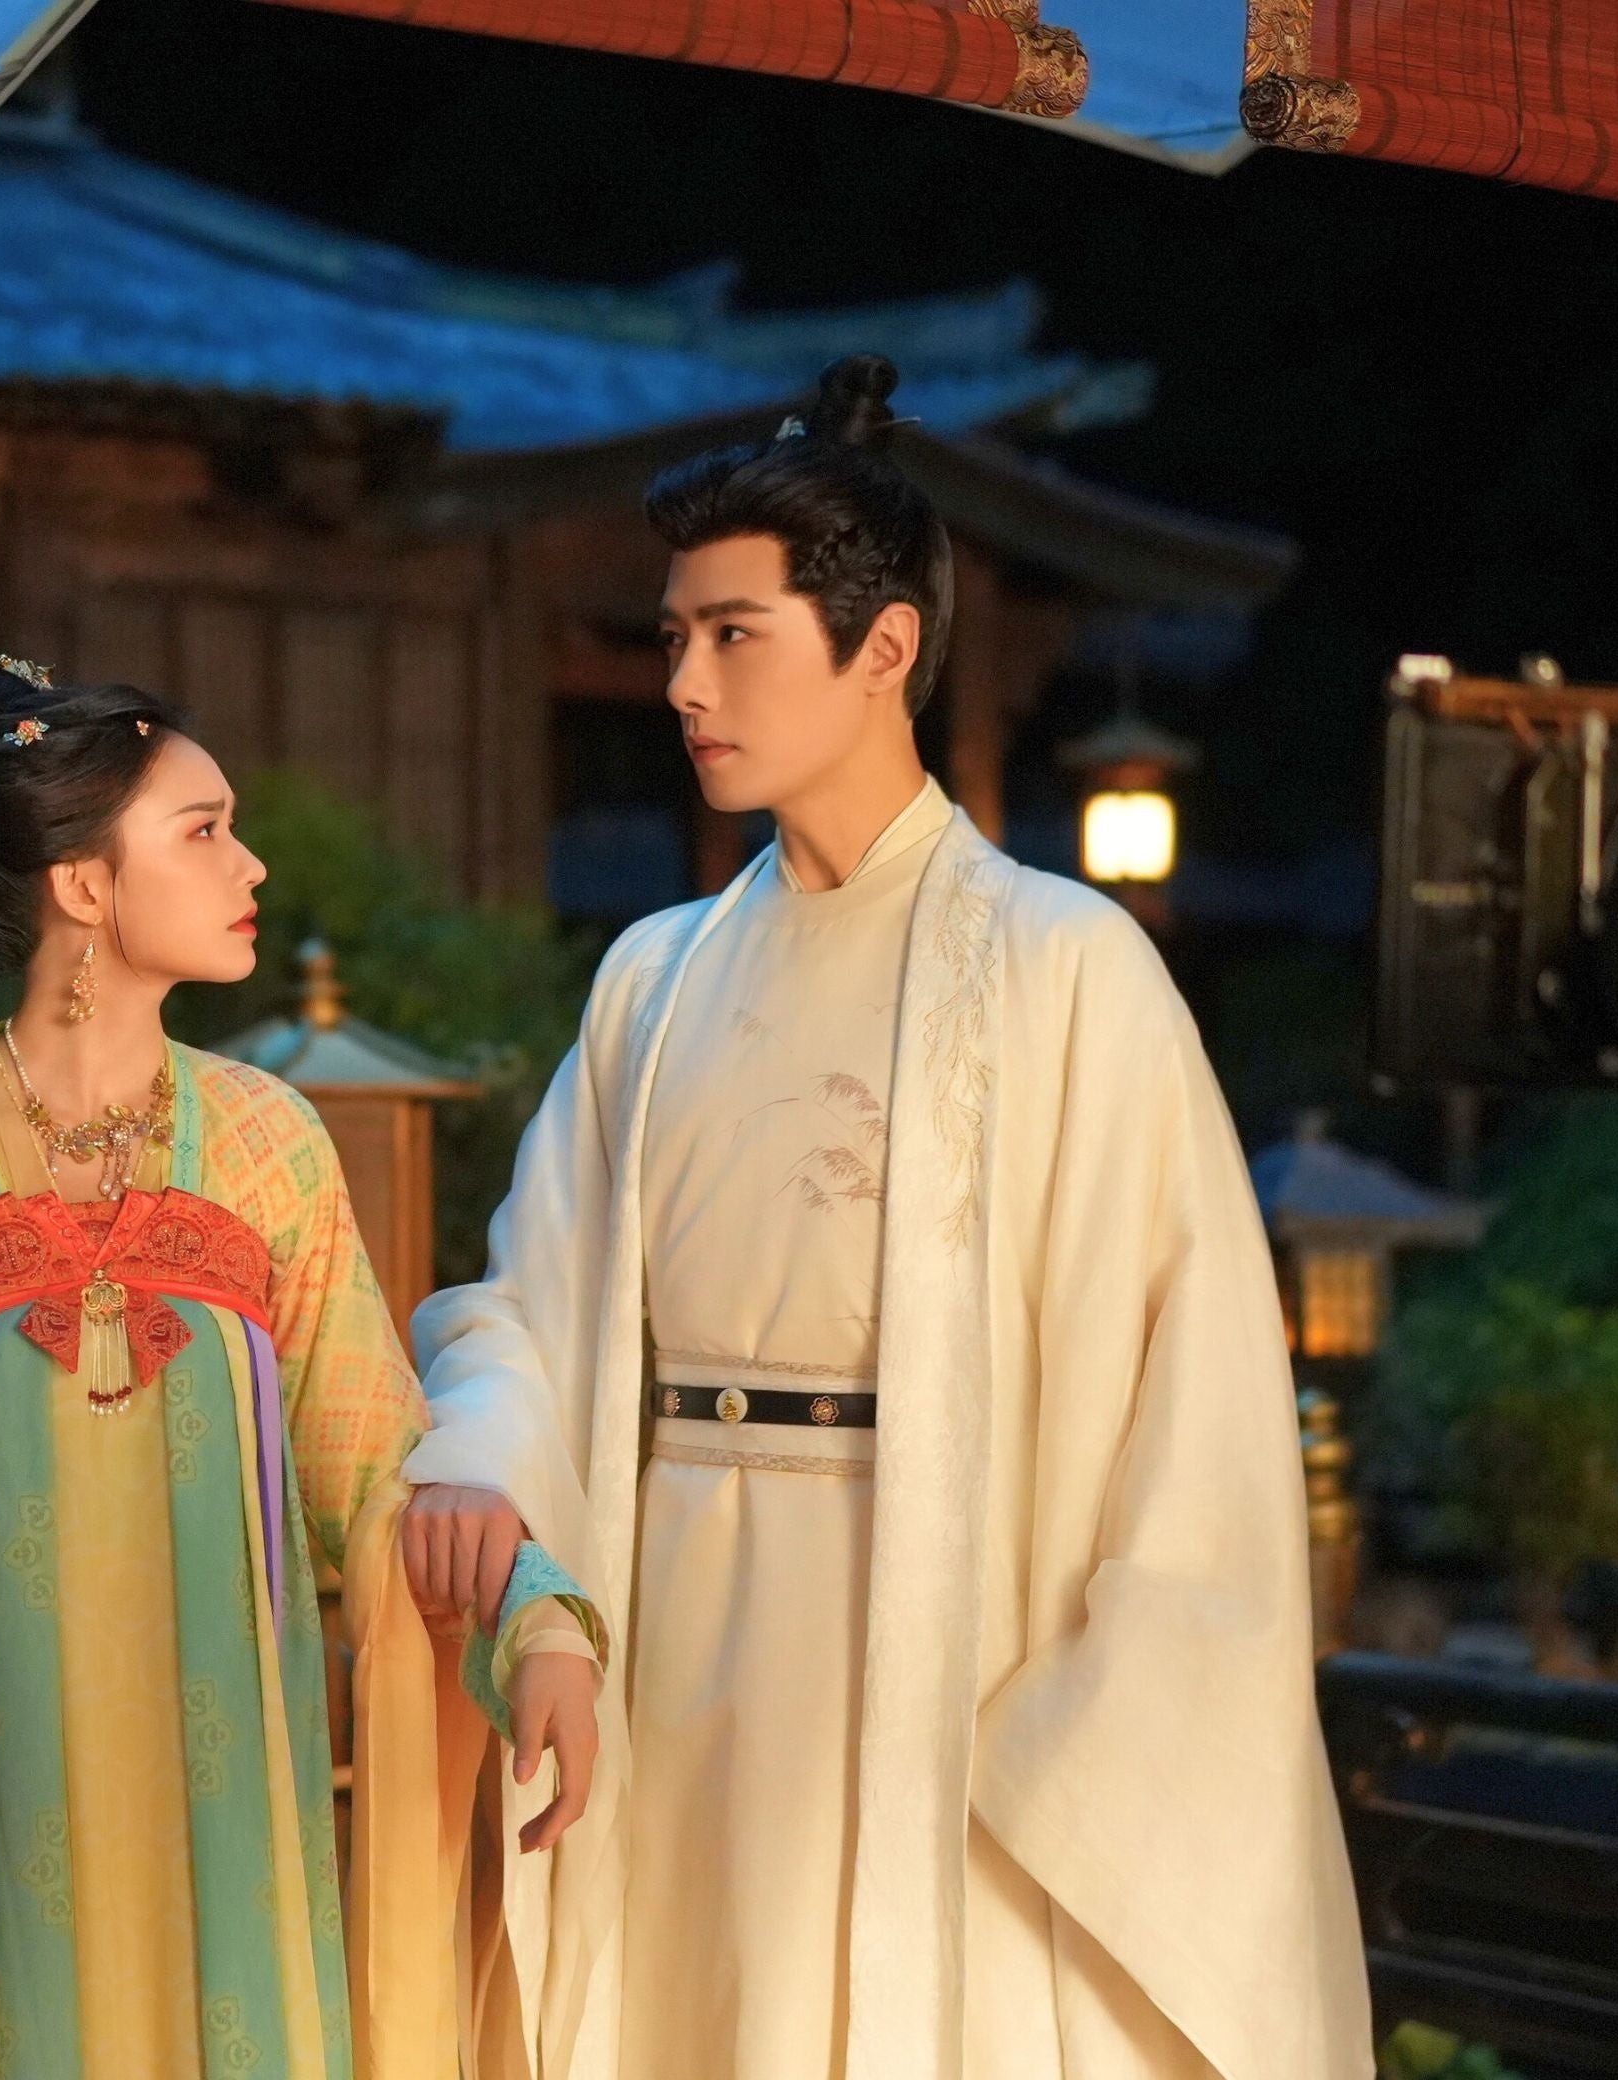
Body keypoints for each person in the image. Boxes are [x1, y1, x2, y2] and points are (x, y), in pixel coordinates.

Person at [397, 356, 1371, 2079]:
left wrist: (1078, 1725)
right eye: (674, 637)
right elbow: (525, 1301)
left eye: (734, 634)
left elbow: (1201, 1390)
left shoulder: (1068, 967)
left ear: (885, 647)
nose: (684, 682)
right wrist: (489, 1479)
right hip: (674, 1615)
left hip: (943, 1639)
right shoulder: (653, 981)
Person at [0, 619, 602, 2080]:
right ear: (83, 883)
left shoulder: (270, 1148)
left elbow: (376, 1472)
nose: (249, 867)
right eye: (204, 831)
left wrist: (536, 1620)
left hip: (225, 1831)